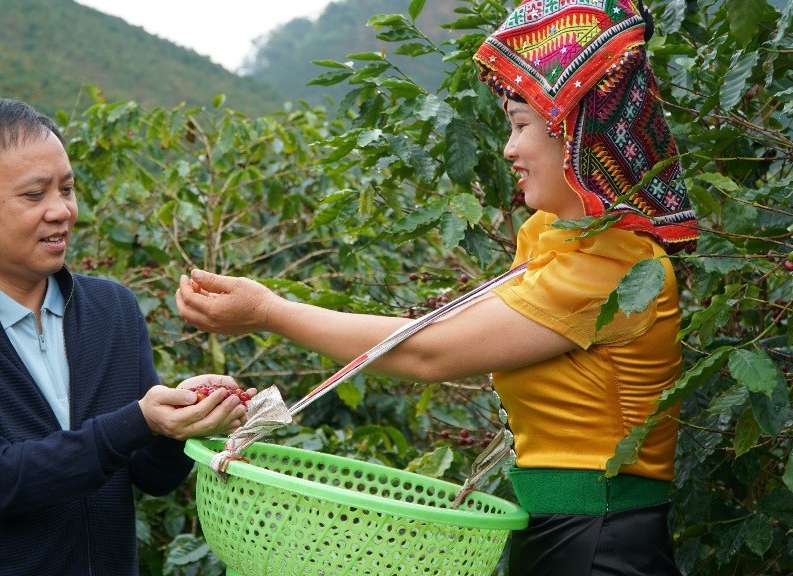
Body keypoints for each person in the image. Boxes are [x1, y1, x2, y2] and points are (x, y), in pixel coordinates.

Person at [176, 1, 697, 574]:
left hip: (601, 544)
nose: (509, 149)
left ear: (575, 131)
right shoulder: (556, 240)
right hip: (561, 533)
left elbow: (430, 352)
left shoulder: (614, 265)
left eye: (522, 125)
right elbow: (447, 335)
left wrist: (269, 312)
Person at [0, 97, 252, 576]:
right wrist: (137, 421)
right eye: (35, 195)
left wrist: (182, 422)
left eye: (67, 189)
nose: (61, 211)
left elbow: (150, 476)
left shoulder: (112, 310)